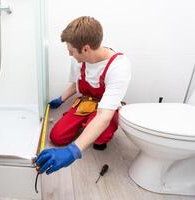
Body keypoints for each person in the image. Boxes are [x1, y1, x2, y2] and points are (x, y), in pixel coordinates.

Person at [35, 16, 131, 175]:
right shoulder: (79, 60)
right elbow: (76, 84)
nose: (70, 55)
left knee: (101, 137)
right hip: (85, 103)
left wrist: (73, 151)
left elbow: (104, 115)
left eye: (71, 51)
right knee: (57, 137)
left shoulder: (118, 66)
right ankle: (86, 124)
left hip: (104, 108)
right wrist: (61, 99)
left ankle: (92, 128)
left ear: (85, 49)